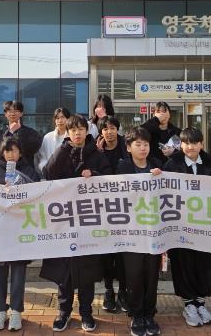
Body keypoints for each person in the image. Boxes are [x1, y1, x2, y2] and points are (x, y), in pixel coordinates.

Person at [40, 114, 111, 333]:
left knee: (87, 270)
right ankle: (64, 311)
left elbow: (110, 179)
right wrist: (63, 148)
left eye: (81, 129)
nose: (77, 133)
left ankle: (87, 313)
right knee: (64, 270)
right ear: (67, 132)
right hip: (64, 220)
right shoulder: (62, 152)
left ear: (87, 131)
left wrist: (95, 174)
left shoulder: (97, 154)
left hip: (89, 221)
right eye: (73, 130)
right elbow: (48, 173)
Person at [0, 138, 40, 331]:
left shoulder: (28, 170)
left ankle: (16, 312)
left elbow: (38, 193)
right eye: (7, 151)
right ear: (2, 153)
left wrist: (20, 188)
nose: (11, 154)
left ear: (21, 153)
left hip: (20, 229)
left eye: (15, 150)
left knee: (19, 272)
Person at [163, 127, 211, 327]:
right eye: (186, 143)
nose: (191, 147)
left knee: (205, 264)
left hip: (205, 225)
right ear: (181, 144)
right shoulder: (172, 165)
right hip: (181, 226)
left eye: (195, 142)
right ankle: (189, 304)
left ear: (201, 144)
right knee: (184, 263)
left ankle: (201, 303)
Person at [115, 127, 163, 336]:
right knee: (134, 274)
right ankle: (136, 314)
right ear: (128, 147)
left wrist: (160, 179)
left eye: (146, 144)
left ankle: (149, 314)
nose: (143, 148)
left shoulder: (157, 165)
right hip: (131, 232)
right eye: (138, 144)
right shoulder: (122, 167)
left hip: (153, 230)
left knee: (151, 275)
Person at [95, 116, 129, 313]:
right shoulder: (96, 150)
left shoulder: (127, 147)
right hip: (104, 209)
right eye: (105, 129)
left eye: (112, 128)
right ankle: (109, 290)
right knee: (107, 253)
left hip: (126, 208)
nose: (109, 132)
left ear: (118, 129)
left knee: (124, 253)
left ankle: (123, 291)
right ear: (101, 132)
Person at [0, 100, 42, 168]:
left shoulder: (31, 133)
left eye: (16, 111)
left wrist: (16, 133)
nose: (13, 114)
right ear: (5, 114)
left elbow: (32, 148)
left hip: (24, 171)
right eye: (9, 111)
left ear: (21, 113)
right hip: (2, 171)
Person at [35, 107, 71, 174]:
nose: (60, 121)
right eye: (57, 118)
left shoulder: (72, 137)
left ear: (68, 119)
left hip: (69, 175)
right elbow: (42, 156)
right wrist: (45, 168)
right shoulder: (48, 137)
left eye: (62, 117)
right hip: (50, 173)